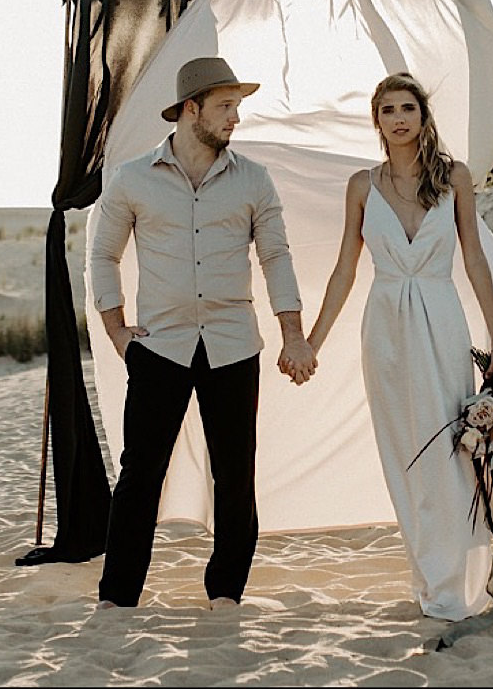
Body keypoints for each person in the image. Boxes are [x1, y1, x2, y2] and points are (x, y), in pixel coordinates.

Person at [89, 56, 316, 610]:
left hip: (234, 345)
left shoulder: (253, 180)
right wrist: (119, 332)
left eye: (236, 107)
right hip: (159, 347)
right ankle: (118, 597)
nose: (235, 119)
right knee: (141, 476)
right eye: (225, 107)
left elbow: (276, 257)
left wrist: (293, 334)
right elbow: (102, 255)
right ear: (190, 110)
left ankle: (226, 594)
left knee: (234, 476)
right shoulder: (134, 179)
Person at [302, 71, 493, 623]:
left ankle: (464, 575)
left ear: (424, 117)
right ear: (377, 121)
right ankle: (431, 575)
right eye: (388, 110)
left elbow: (474, 259)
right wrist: (313, 342)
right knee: (405, 456)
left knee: (450, 452)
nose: (398, 118)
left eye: (408, 108)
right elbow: (346, 269)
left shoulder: (456, 178)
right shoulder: (361, 185)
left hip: (442, 322)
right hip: (386, 330)